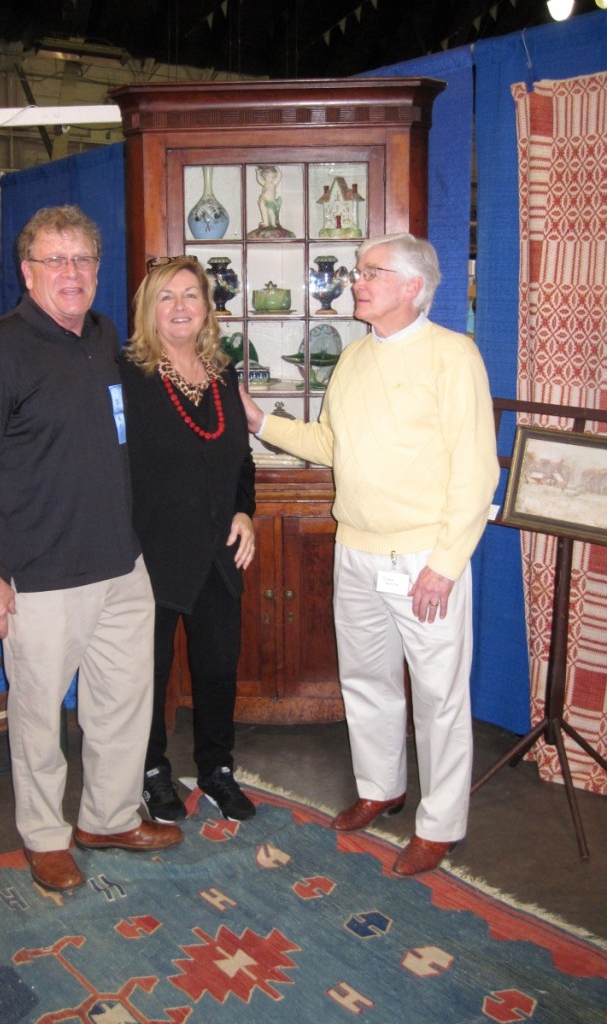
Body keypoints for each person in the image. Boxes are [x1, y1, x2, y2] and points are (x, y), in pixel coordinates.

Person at [239, 233, 499, 876]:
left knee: (439, 697)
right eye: (360, 271)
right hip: (353, 550)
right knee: (366, 682)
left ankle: (440, 824)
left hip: (424, 559)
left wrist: (445, 562)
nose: (357, 281)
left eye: (372, 272)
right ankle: (381, 788)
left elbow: (476, 471)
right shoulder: (352, 359)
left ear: (413, 287)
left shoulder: (453, 355)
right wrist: (259, 421)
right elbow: (332, 443)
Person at [0, 205, 182, 894]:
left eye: (83, 260)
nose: (72, 273)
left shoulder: (106, 335)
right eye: (56, 261)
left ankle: (108, 817)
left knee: (121, 705)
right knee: (38, 718)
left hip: (120, 564)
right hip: (42, 577)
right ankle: (46, 837)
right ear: (28, 272)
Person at [119, 255, 257, 823]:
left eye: (190, 295)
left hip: (221, 554)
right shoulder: (128, 376)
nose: (179, 306)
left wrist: (246, 514)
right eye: (166, 297)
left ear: (207, 308)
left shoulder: (223, 374)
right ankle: (151, 770)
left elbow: (241, 461)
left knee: (218, 667)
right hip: (152, 554)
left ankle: (217, 768)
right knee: (146, 671)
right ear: (149, 310)